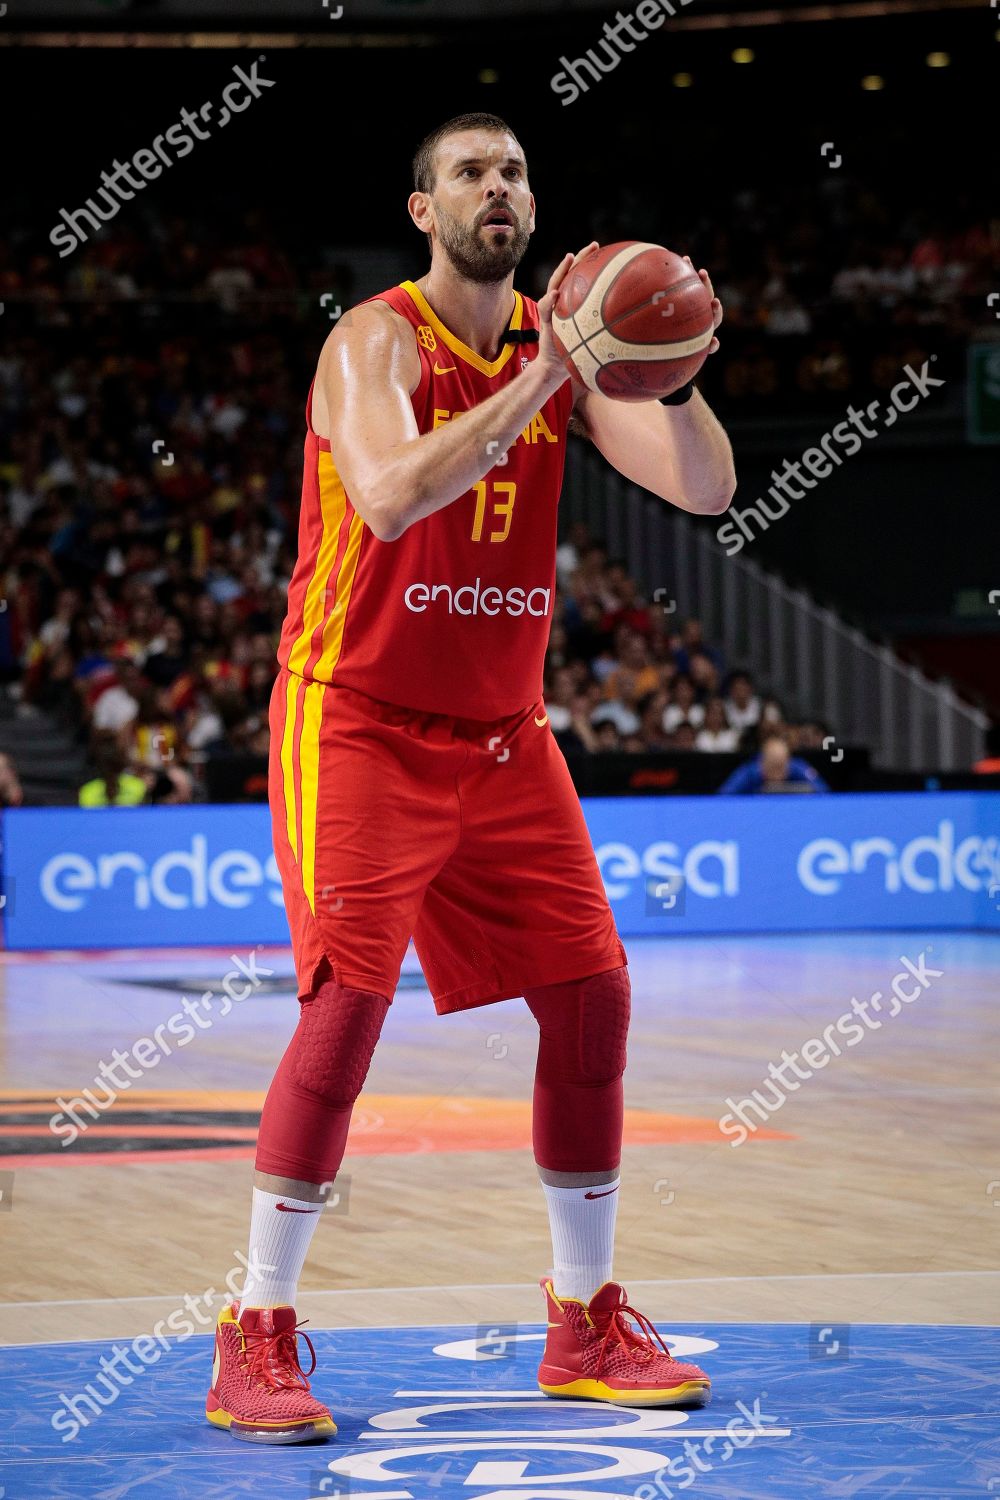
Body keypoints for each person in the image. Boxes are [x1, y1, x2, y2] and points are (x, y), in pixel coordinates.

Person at [207, 111, 735, 1444]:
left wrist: (659, 369)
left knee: (596, 997)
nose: (497, 187)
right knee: (343, 1013)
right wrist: (549, 374)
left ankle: (583, 1320)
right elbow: (389, 495)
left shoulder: (562, 361)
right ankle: (254, 1336)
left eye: (513, 170)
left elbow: (710, 489)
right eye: (469, 174)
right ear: (424, 211)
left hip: (504, 738)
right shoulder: (373, 340)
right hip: (358, 725)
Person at [718, 733, 829, 794]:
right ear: (762, 763)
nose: (777, 774)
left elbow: (823, 792)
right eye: (773, 767)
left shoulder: (798, 768)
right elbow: (723, 798)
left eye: (781, 767)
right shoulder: (750, 772)